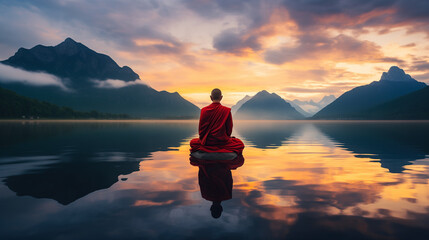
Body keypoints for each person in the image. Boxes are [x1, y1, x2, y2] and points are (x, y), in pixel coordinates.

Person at [190, 88, 244, 154]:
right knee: (239, 143)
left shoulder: (204, 110)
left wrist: (202, 139)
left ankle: (207, 149)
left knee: (193, 142)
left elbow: (201, 131)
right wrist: (226, 138)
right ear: (221, 97)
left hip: (207, 142)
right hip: (222, 142)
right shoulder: (226, 110)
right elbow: (229, 130)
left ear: (211, 97)